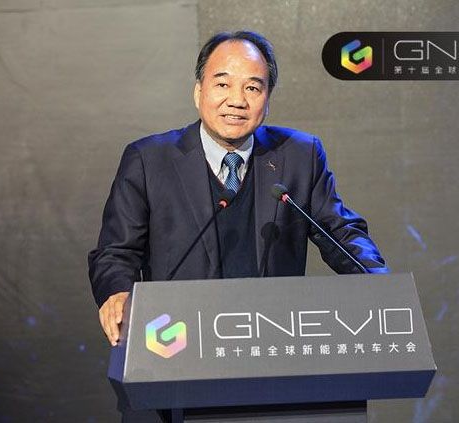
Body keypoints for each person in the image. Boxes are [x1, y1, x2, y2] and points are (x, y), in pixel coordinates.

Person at [88, 30, 388, 421]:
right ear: (199, 91)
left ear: (267, 97)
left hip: (271, 364)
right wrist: (117, 292)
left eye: (252, 87)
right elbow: (115, 252)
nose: (237, 100)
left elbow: (341, 232)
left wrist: (379, 284)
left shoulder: (299, 155)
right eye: (222, 84)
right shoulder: (149, 159)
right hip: (176, 357)